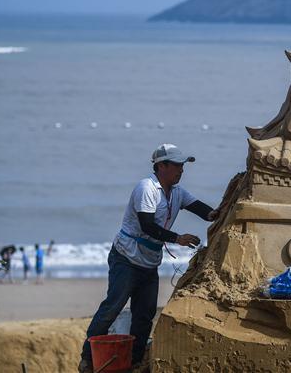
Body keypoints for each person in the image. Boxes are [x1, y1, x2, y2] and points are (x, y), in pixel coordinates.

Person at [78, 144, 219, 373]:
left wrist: (220, 211)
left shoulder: (177, 193)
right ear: (161, 166)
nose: (181, 170)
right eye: (177, 165)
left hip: (149, 262)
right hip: (127, 257)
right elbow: (147, 225)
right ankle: (87, 359)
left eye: (182, 165)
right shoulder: (147, 188)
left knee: (144, 315)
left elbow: (204, 211)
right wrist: (178, 238)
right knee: (112, 307)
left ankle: (134, 361)